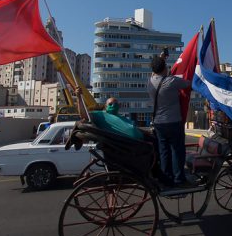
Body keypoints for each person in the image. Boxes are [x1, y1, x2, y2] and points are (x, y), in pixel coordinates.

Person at [147, 53, 192, 187]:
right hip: (173, 122)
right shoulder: (171, 81)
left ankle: (166, 178)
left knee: (164, 151)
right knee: (177, 151)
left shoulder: (150, 82)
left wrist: (162, 59)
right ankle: (179, 180)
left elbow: (155, 73)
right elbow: (188, 83)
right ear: (164, 69)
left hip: (158, 123)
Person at [74, 87, 143, 141]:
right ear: (105, 106)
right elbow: (84, 114)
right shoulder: (100, 115)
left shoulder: (121, 117)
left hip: (139, 140)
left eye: (115, 104)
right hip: (128, 143)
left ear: (119, 106)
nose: (113, 105)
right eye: (110, 104)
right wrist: (79, 97)